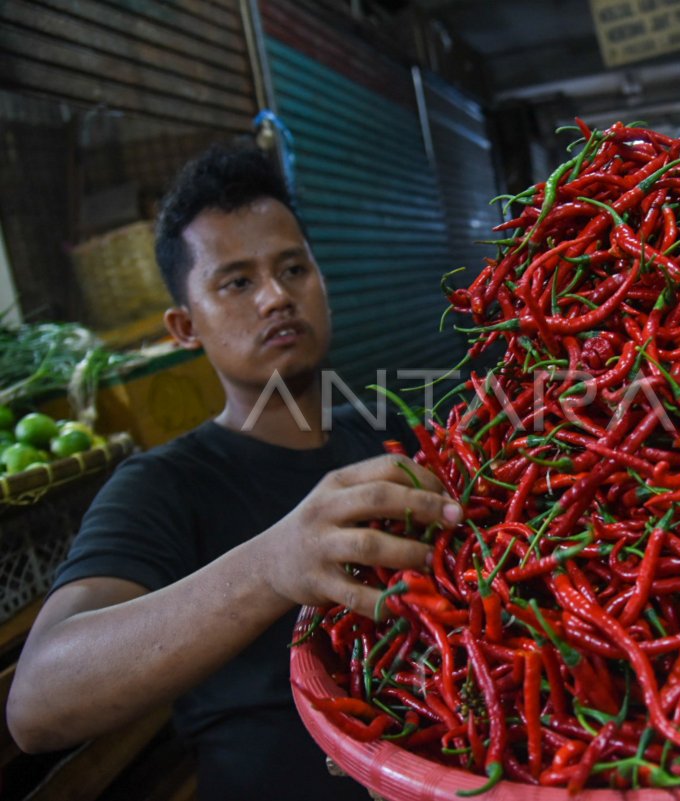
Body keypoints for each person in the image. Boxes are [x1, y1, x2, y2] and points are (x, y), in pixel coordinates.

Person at [5, 143, 461, 800]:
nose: (277, 296)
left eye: (293, 267)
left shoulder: (387, 437)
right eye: (238, 281)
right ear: (184, 325)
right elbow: (35, 703)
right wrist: (272, 564)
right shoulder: (162, 484)